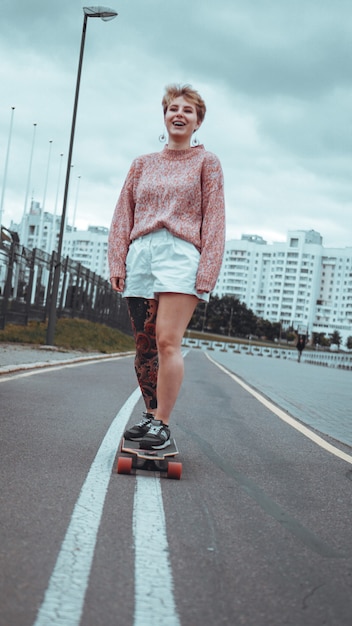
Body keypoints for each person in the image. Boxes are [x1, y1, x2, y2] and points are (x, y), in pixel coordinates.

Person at [108, 83, 225, 449]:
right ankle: (150, 413)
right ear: (164, 115)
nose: (179, 114)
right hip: (141, 255)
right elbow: (122, 213)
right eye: (173, 108)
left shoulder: (207, 162)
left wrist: (207, 271)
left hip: (180, 255)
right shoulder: (142, 164)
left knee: (167, 341)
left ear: (197, 122)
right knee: (144, 348)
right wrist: (117, 258)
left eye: (188, 110)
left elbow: (215, 219)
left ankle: (163, 423)